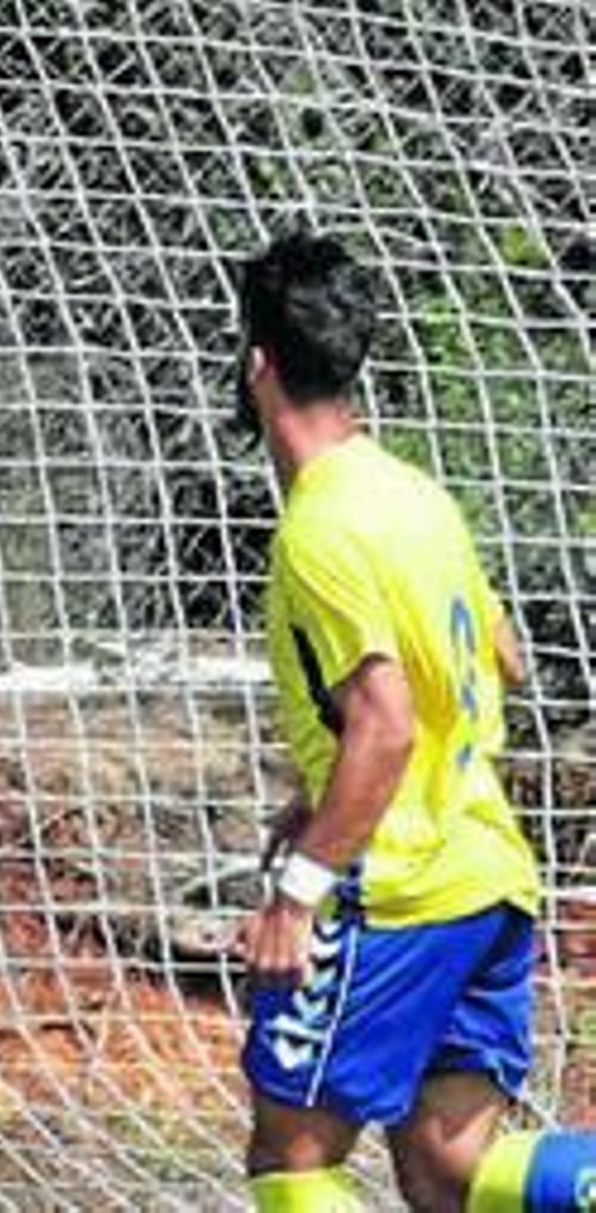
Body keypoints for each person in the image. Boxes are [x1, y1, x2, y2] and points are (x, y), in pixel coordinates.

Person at [233, 230, 596, 1211]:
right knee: (453, 1174)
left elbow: (385, 725)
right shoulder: (413, 494)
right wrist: (322, 790)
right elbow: (501, 658)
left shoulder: (318, 526)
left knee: (291, 1156)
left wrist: (300, 886)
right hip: (488, 875)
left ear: (255, 363)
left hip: (393, 895)